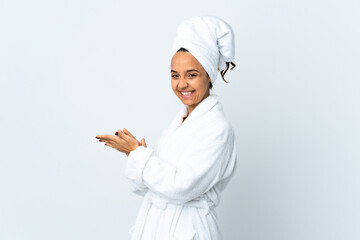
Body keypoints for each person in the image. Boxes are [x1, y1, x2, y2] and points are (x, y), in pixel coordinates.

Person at [96, 15, 237, 240]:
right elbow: (149, 188)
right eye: (175, 75)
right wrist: (133, 154)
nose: (182, 84)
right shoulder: (179, 123)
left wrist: (139, 155)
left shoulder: (217, 129)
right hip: (157, 227)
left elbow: (181, 187)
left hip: (188, 228)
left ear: (209, 76)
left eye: (192, 75)